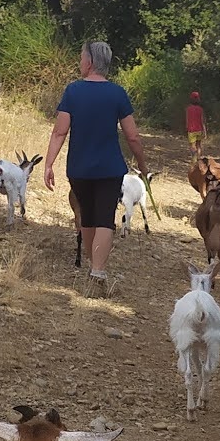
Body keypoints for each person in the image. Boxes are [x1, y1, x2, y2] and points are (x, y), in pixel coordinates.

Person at [44, 40, 146, 287]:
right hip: (110, 168)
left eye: (81, 58)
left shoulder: (73, 91)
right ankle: (97, 273)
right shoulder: (118, 93)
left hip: (78, 168)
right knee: (104, 219)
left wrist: (48, 164)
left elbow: (59, 132)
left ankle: (93, 268)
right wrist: (143, 165)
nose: (80, 62)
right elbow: (132, 136)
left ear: (89, 62)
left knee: (88, 217)